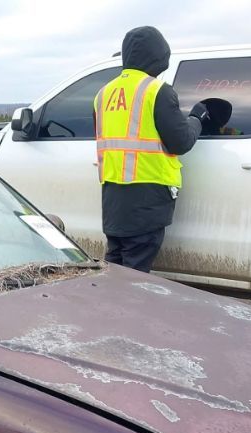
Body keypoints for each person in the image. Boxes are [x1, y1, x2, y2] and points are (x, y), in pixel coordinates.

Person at [94, 26, 208, 272]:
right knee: (135, 277)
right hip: (146, 199)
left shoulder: (104, 93)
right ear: (159, 56)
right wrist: (197, 119)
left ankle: (108, 309)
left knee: (115, 269)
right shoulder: (156, 91)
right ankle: (124, 311)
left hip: (113, 198)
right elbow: (182, 141)